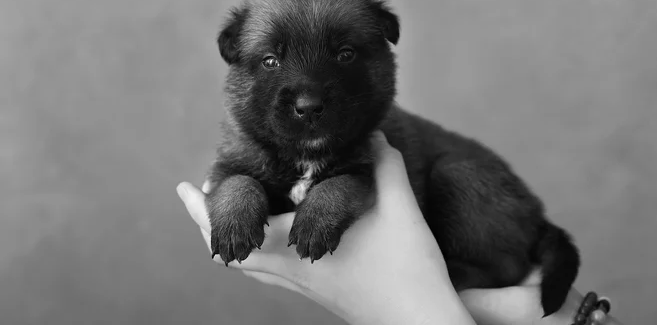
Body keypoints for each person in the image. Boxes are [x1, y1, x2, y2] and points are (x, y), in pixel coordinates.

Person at [177, 131, 624, 325]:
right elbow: (230, 176)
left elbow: (360, 180)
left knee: (461, 181)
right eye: (271, 61)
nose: (309, 94)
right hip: (541, 300)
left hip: (489, 223)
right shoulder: (247, 143)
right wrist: (236, 198)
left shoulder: (370, 136)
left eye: (346, 54)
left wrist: (411, 310)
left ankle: (490, 267)